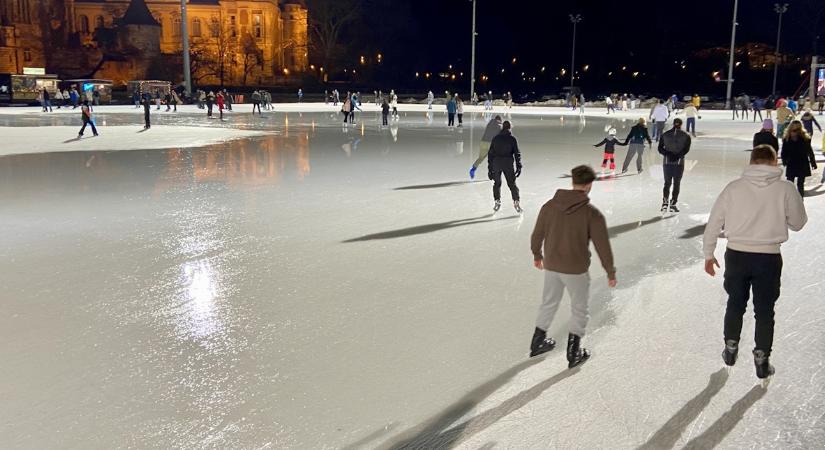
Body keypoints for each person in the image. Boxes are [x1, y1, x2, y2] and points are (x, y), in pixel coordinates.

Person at [703, 144, 807, 379]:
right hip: (768, 258)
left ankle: (730, 347)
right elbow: (798, 223)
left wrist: (709, 254)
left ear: (751, 161)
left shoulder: (734, 188)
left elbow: (714, 222)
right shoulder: (786, 188)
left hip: (737, 256)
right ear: (774, 161)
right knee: (765, 310)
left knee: (735, 303)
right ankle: (762, 358)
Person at [529, 165, 616, 366]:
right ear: (589, 185)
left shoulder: (549, 206)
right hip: (576, 269)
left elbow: (537, 234)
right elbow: (602, 246)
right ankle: (573, 352)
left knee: (549, 302)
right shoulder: (591, 214)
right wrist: (610, 272)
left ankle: (537, 343)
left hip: (552, 265)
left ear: (573, 181)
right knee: (579, 308)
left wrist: (537, 255)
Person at [488, 121, 522, 212]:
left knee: (497, 183)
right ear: (510, 127)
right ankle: (516, 201)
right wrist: (519, 166)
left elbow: (490, 154)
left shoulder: (496, 138)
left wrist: (490, 169)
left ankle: (497, 201)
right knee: (512, 184)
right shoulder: (512, 139)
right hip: (508, 164)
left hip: (497, 163)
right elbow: (517, 153)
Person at [658, 118, 691, 212]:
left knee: (667, 183)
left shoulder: (665, 134)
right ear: (681, 124)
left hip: (667, 162)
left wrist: (668, 154)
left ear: (673, 124)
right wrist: (677, 156)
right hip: (679, 163)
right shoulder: (686, 136)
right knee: (676, 183)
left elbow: (660, 148)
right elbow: (686, 149)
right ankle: (673, 204)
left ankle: (665, 203)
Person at [781, 120, 817, 197]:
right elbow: (810, 152)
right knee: (800, 184)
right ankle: (800, 200)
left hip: (791, 163)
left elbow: (784, 152)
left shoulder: (787, 138)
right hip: (802, 163)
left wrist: (784, 161)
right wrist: (813, 163)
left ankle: (790, 199)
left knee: (790, 183)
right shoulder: (805, 138)